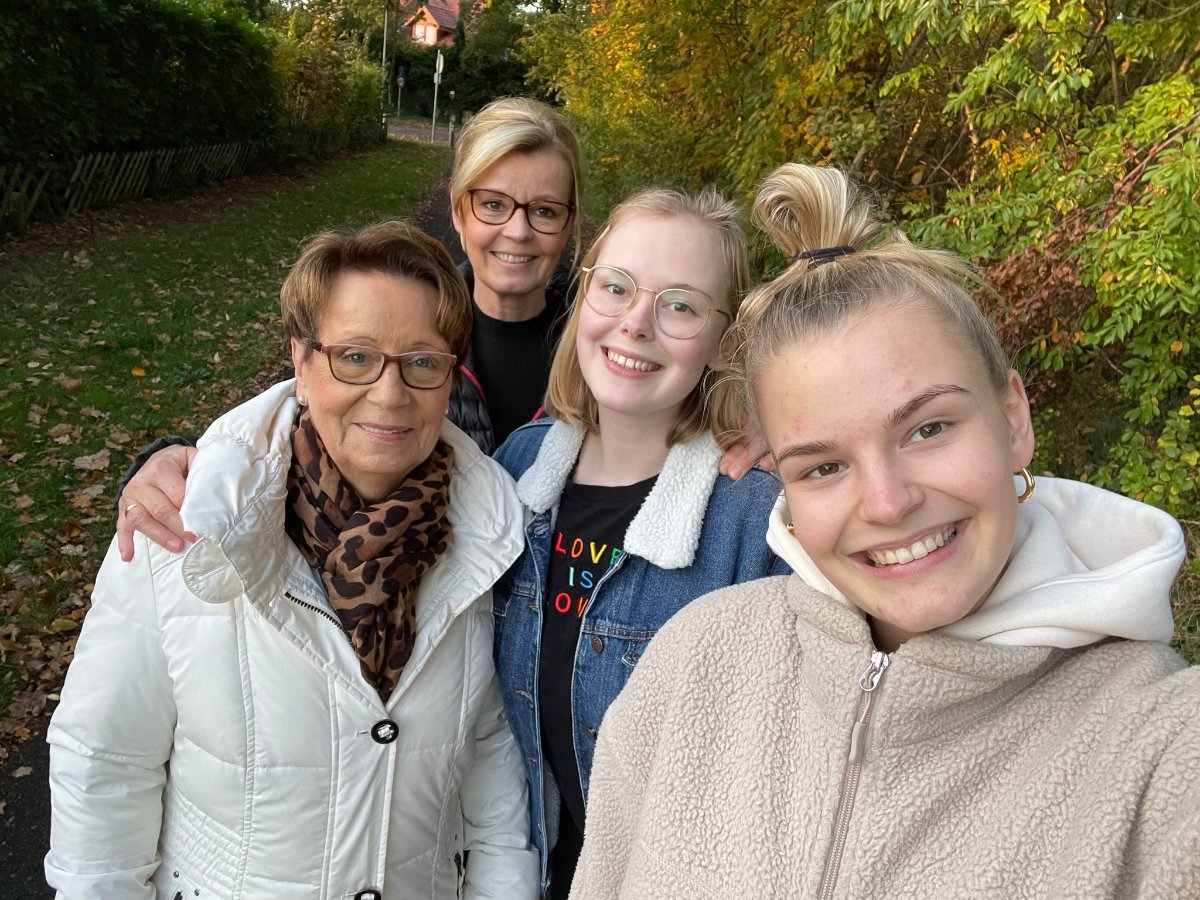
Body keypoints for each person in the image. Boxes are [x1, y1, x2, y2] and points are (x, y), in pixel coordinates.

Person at [567, 164, 1200, 899]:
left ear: (1013, 418)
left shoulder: (1162, 748)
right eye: (823, 466)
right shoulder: (690, 665)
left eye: (928, 429)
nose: (889, 502)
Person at [46, 221, 539, 899]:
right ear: (302, 363)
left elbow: (490, 772)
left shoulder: (488, 539)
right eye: (355, 357)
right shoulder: (181, 528)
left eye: (422, 362)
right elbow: (105, 767)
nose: (390, 393)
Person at [491, 187, 788, 898]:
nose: (635, 323)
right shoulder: (516, 470)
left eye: (681, 306)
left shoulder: (756, 520)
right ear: (584, 296)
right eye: (616, 287)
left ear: (724, 344)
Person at [448, 96, 583, 454]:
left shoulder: (605, 347)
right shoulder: (408, 334)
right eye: (493, 204)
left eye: (544, 211)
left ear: (568, 223)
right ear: (459, 209)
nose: (519, 232)